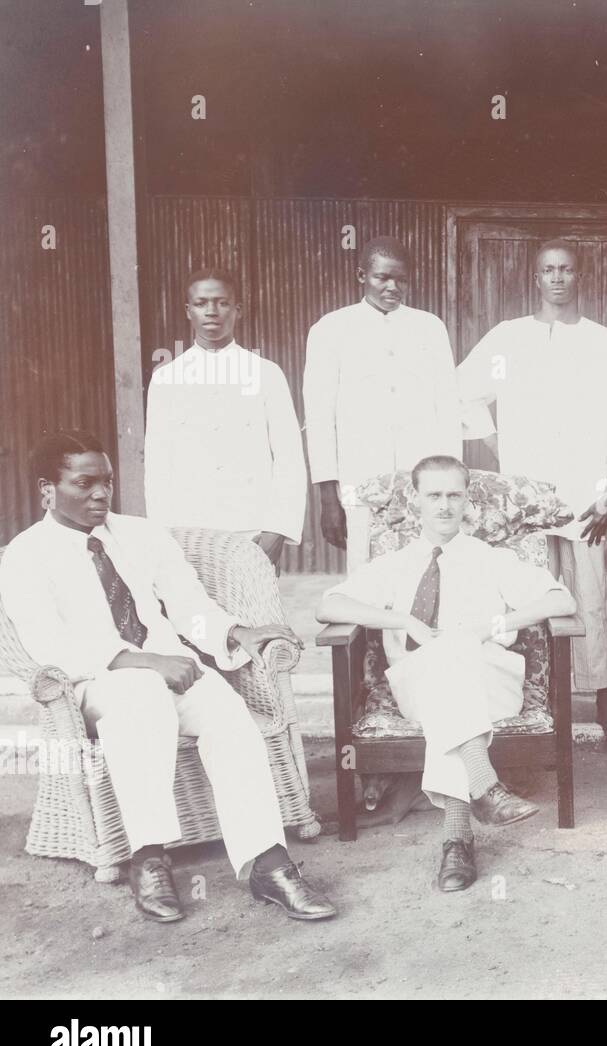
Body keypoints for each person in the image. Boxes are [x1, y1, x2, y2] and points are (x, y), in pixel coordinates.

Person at [0, 429, 337, 923]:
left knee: (230, 715)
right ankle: (149, 855)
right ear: (48, 488)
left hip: (170, 667)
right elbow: (48, 646)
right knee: (139, 696)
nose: (101, 494)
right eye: (85, 482)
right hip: (93, 684)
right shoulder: (25, 555)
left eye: (108, 482)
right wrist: (144, 662)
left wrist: (235, 631)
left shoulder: (140, 534)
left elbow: (188, 607)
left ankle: (268, 861)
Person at [316, 455, 577, 892]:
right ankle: (481, 794)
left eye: (454, 495)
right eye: (433, 495)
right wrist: (405, 622)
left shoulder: (491, 559)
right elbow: (329, 606)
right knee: (443, 664)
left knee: (453, 652)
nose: (444, 505)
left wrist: (489, 628)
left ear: (466, 499)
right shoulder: (394, 564)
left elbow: (560, 600)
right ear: (415, 500)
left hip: (490, 681)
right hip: (419, 686)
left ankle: (458, 840)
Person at [457, 239, 607, 746]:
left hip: (586, 492)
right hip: (527, 495)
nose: (557, 278)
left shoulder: (603, 342)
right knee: (531, 596)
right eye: (548, 270)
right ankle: (538, 699)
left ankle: (601, 697)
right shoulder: (508, 340)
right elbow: (462, 390)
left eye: (566, 270)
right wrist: (497, 448)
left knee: (590, 598)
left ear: (579, 278)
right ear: (535, 279)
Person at [303, 235, 461, 572]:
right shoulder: (330, 329)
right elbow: (319, 418)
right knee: (365, 578)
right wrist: (328, 497)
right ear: (362, 276)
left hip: (422, 479)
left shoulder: (429, 328)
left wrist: (451, 482)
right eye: (382, 277)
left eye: (401, 279)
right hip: (359, 477)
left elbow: (447, 408)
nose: (393, 287)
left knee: (426, 570)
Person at [145, 269, 307, 569]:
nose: (211, 311)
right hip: (188, 531)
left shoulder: (266, 373)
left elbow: (289, 458)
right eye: (201, 303)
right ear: (188, 310)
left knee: (255, 615)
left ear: (237, 309)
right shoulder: (167, 378)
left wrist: (277, 529)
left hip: (253, 529)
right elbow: (157, 465)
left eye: (221, 302)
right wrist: (163, 535)